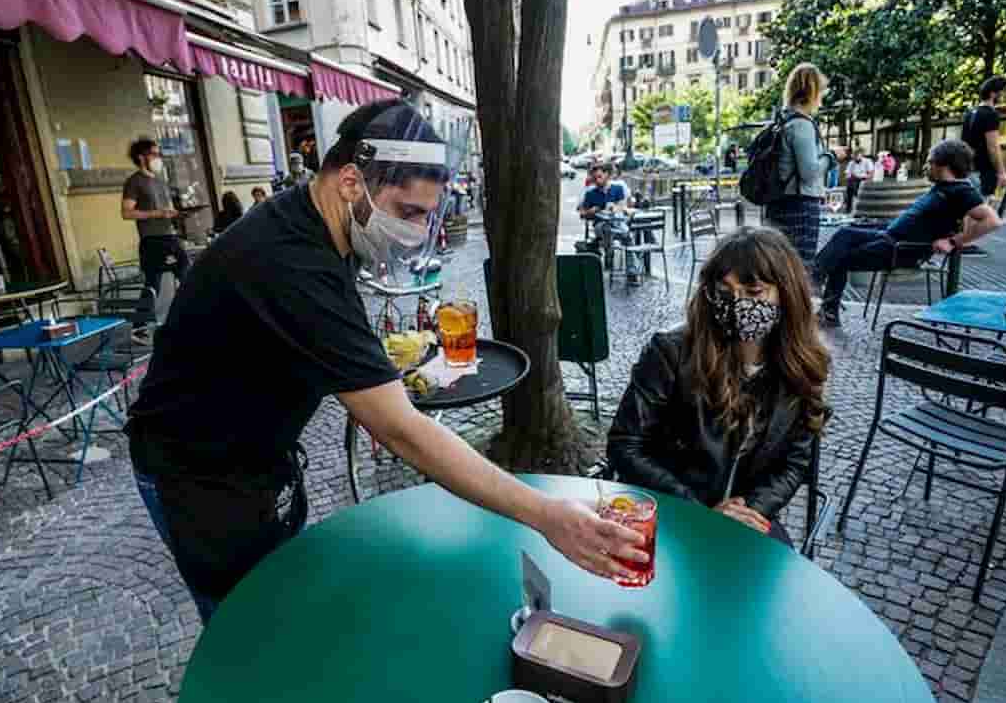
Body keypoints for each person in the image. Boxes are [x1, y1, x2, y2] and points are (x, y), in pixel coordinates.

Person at [126, 100, 650, 623]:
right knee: (248, 631)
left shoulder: (314, 225)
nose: (418, 232)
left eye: (428, 214)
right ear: (352, 182)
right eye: (408, 213)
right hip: (200, 477)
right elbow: (401, 429)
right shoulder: (288, 262)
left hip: (257, 462)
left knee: (284, 610)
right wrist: (547, 515)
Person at [607, 227, 831, 545]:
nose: (736, 303)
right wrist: (699, 511)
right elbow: (624, 444)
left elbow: (795, 462)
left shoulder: (805, 367)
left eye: (753, 293)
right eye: (725, 290)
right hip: (670, 511)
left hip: (748, 519)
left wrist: (751, 510)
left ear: (787, 293)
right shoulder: (671, 352)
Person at [814, 139, 1003, 328]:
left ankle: (818, 290)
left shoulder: (961, 190)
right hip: (888, 236)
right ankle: (818, 285)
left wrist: (954, 242)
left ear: (944, 164)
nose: (925, 167)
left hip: (899, 249)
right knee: (844, 233)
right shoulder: (942, 188)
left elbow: (992, 221)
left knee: (839, 257)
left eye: (929, 162)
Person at [765, 63, 837, 269]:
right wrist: (831, 156)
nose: (822, 97)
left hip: (780, 203)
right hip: (800, 206)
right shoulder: (802, 125)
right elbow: (809, 172)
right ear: (812, 91)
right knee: (799, 269)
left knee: (781, 268)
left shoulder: (783, 120)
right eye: (821, 91)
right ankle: (796, 302)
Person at [121, 138, 189, 299]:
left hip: (169, 235)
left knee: (185, 271)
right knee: (154, 284)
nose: (158, 158)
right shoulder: (134, 182)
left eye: (159, 154)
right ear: (140, 157)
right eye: (153, 154)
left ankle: (188, 312)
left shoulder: (160, 180)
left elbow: (165, 208)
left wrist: (176, 214)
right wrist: (157, 213)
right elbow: (126, 213)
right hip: (152, 240)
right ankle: (141, 321)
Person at [578, 162, 641, 283]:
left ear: (607, 175)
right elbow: (582, 213)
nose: (597, 180)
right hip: (600, 225)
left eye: (599, 177)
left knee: (627, 238)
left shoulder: (617, 189)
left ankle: (631, 271)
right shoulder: (591, 193)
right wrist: (590, 211)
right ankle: (609, 251)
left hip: (617, 224)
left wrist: (615, 207)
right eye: (595, 178)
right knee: (608, 228)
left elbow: (623, 206)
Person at [962, 75, 1006, 200]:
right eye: (1003, 91)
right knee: (983, 213)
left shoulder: (970, 113)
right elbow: (993, 147)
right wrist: (1001, 172)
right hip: (984, 174)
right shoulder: (990, 114)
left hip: (969, 171)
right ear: (993, 94)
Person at [844, 148, 875, 213]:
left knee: (858, 184)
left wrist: (866, 177)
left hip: (864, 179)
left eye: (857, 155)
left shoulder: (867, 161)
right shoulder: (851, 163)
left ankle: (860, 206)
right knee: (850, 186)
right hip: (853, 179)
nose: (855, 157)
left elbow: (871, 173)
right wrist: (849, 176)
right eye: (854, 155)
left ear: (861, 155)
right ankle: (849, 208)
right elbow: (847, 173)